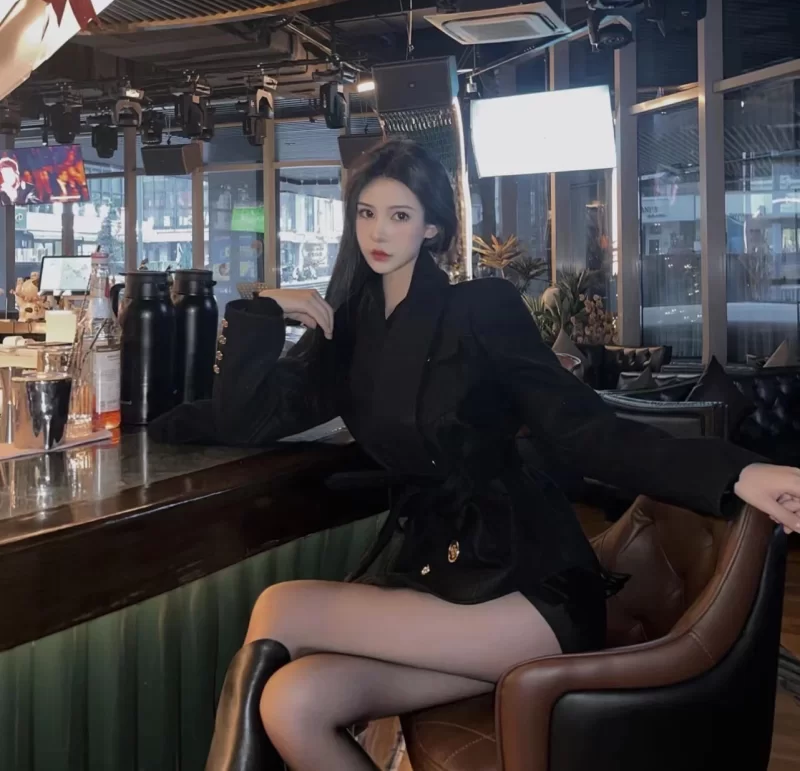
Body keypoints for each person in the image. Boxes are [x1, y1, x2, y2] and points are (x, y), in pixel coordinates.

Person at [151, 139, 800, 771]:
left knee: (281, 608)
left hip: (527, 588)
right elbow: (249, 417)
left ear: (432, 227)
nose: (379, 231)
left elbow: (584, 430)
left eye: (399, 214)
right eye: (367, 213)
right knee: (295, 702)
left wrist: (738, 470)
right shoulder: (349, 329)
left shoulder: (481, 308)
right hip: (440, 580)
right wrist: (261, 310)